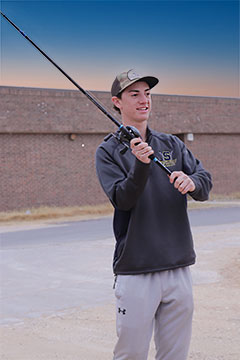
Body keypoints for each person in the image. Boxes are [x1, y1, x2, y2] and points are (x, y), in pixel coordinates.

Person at [95, 69, 212, 360]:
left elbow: (204, 181)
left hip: (178, 266)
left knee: (175, 355)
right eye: (134, 94)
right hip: (136, 270)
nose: (144, 100)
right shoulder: (107, 151)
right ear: (117, 102)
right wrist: (141, 165)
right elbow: (122, 199)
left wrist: (193, 182)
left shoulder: (172, 144)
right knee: (131, 355)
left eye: (147, 94)